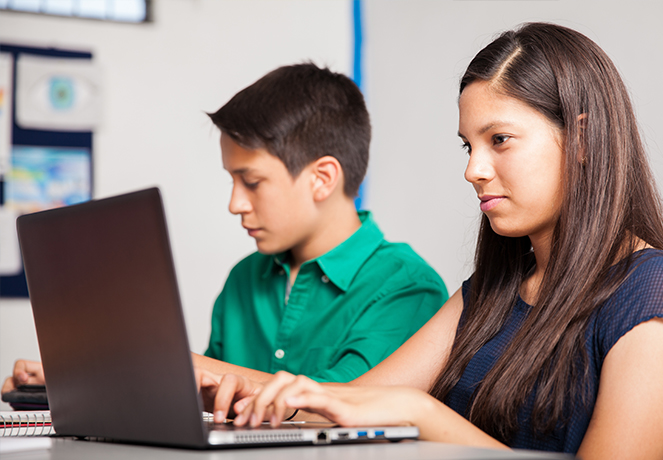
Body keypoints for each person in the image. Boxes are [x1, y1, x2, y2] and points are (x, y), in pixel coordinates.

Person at [197, 23, 663, 458]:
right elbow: (344, 404)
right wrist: (206, 379)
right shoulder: (491, 291)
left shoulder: (653, 294)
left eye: (499, 141)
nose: (473, 169)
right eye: (468, 146)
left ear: (582, 139)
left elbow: (398, 406)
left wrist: (422, 413)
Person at [1, 63, 448, 394]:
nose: (235, 203)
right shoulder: (244, 279)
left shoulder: (406, 287)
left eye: (251, 183)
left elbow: (350, 402)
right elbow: (206, 394)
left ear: (322, 178)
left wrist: (179, 365)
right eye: (232, 181)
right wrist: (88, 376)